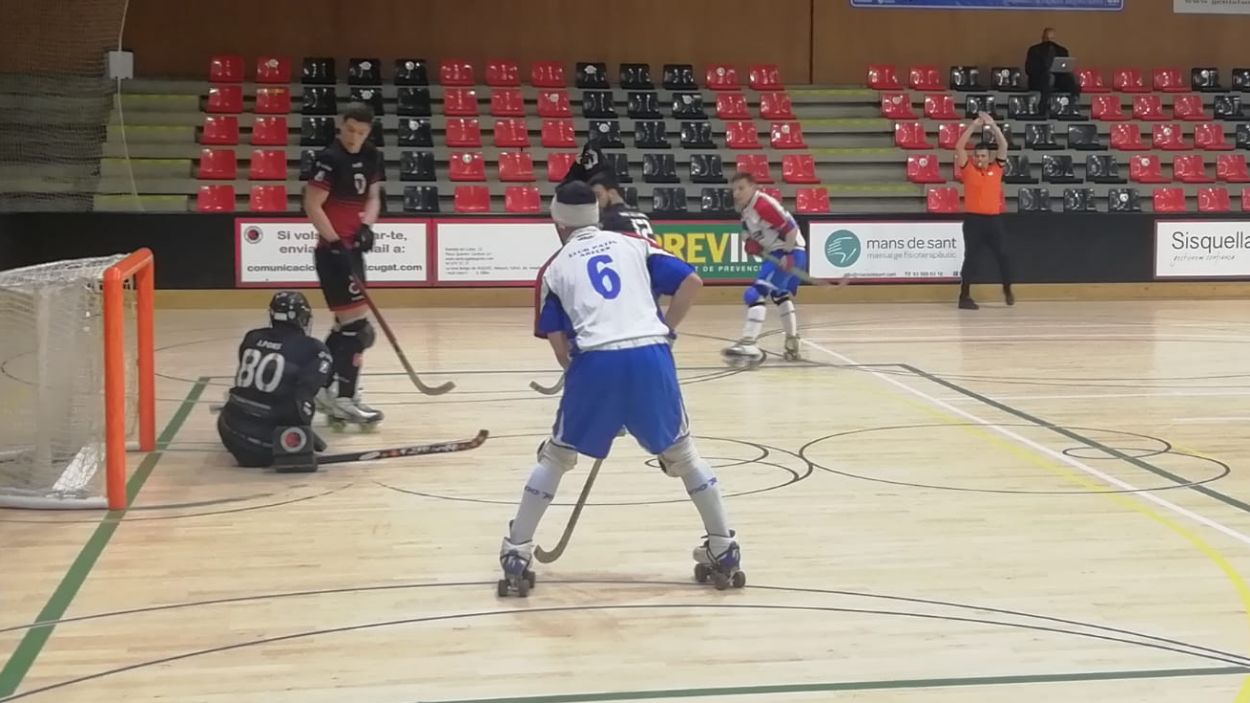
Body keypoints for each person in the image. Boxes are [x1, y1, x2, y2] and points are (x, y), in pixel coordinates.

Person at [497, 181, 743, 596]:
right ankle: (723, 547)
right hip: (651, 355)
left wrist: (601, 394)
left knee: (557, 455)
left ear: (557, 223)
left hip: (596, 361)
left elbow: (561, 352)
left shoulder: (553, 269)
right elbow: (693, 282)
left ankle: (517, 550)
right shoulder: (634, 244)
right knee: (683, 454)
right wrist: (666, 329)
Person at [303, 102, 385, 425]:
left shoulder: (371, 155)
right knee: (358, 329)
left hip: (353, 249)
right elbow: (312, 204)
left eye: (361, 132)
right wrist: (335, 241)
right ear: (341, 126)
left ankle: (324, 389)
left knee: (346, 326)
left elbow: (374, 197)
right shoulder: (329, 159)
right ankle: (345, 398)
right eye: (350, 130)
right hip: (333, 252)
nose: (354, 138)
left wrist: (368, 225)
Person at [218, 291, 333, 468]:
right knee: (298, 401)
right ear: (303, 318)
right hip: (267, 444)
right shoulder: (314, 349)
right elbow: (302, 400)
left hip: (228, 431)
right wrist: (305, 438)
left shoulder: (252, 337)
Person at [721, 172, 807, 362]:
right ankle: (792, 341)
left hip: (789, 252)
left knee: (755, 293)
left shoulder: (763, 205)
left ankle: (749, 343)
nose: (736, 193)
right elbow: (752, 236)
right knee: (779, 294)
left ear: (753, 187)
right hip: (777, 253)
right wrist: (751, 243)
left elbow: (791, 229)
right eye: (734, 189)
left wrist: (787, 254)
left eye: (741, 188)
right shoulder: (745, 210)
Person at [954, 112, 1014, 310]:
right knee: (971, 258)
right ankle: (964, 297)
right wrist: (973, 125)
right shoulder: (968, 169)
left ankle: (1007, 289)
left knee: (1004, 255)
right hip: (974, 222)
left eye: (983, 156)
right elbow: (959, 147)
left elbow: (1004, 146)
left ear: (989, 158)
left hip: (993, 221)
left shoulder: (996, 168)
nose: (980, 159)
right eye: (977, 156)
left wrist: (993, 126)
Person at [588, 171, 655, 243]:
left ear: (612, 193)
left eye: (598, 196)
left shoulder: (610, 219)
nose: (596, 202)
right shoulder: (642, 215)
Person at [1025, 27, 1079, 107]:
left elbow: (1065, 68)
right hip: (1039, 80)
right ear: (1043, 38)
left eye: (1051, 39)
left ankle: (1073, 105)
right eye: (1047, 38)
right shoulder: (1034, 50)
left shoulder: (1062, 50)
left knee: (1070, 78)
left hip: (1058, 79)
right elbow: (1029, 69)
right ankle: (1043, 106)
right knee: (1048, 77)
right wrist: (1044, 72)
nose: (1049, 42)